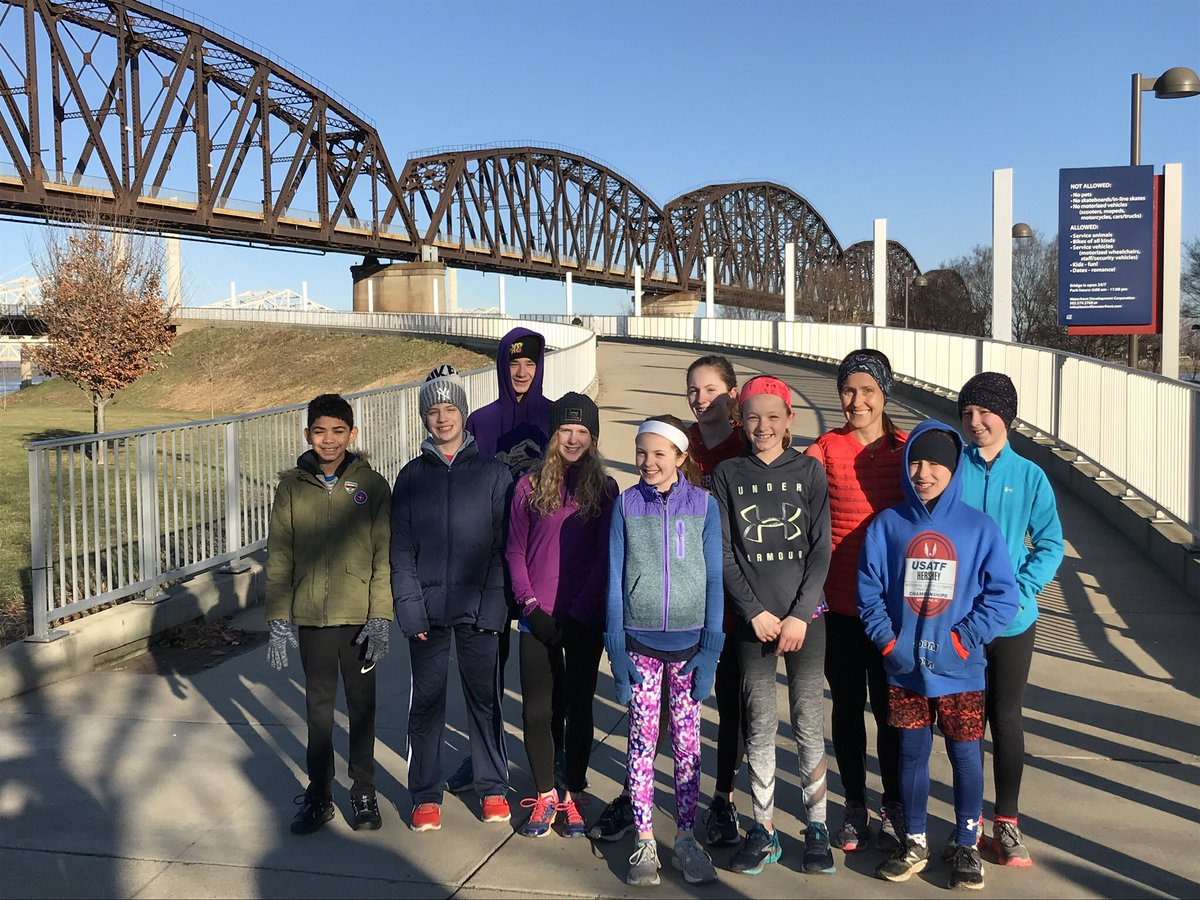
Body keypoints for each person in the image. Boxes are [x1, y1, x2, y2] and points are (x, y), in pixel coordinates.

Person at [857, 421, 1019, 891]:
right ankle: (915, 839)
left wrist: (963, 642)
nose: (923, 472)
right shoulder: (888, 525)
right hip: (905, 668)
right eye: (916, 462)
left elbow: (1002, 597)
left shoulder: (978, 528)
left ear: (953, 470)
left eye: (935, 464)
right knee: (911, 754)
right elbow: (869, 591)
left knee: (966, 755)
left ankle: (968, 843)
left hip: (961, 670)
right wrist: (890, 642)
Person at [711, 375, 835, 877]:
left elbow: (821, 547)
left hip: (807, 622)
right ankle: (763, 828)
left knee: (808, 723)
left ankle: (817, 824)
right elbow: (723, 551)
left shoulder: (808, 472)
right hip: (753, 623)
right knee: (759, 726)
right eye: (753, 418)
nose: (762, 427)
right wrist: (755, 612)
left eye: (772, 417)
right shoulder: (728, 473)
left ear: (790, 421)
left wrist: (799, 614)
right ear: (742, 421)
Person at [390, 365, 513, 832]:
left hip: (480, 611)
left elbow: (504, 547)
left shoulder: (494, 474)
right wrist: (409, 607)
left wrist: (494, 609)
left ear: (464, 413)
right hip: (427, 612)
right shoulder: (410, 477)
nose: (443, 418)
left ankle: (493, 787)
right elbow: (400, 549)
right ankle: (425, 793)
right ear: (424, 418)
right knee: (427, 702)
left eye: (451, 409)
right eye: (434, 410)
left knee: (484, 701)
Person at [605, 415, 724, 887]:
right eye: (641, 452)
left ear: (680, 457)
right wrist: (616, 653)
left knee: (688, 747)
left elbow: (714, 580)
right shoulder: (625, 505)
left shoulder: (705, 506)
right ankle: (645, 839)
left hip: (690, 647)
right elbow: (614, 581)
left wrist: (711, 652)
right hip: (640, 646)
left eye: (659, 453)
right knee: (641, 743)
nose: (648, 462)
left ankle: (688, 839)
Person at [265, 393, 392, 835]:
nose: (329, 440)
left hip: (358, 620)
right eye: (320, 431)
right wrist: (279, 618)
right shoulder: (291, 488)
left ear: (352, 435)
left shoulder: (372, 486)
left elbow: (384, 557)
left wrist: (381, 616)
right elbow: (279, 556)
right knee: (318, 710)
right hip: (313, 620)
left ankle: (364, 791)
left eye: (338, 431)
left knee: (362, 708)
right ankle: (319, 793)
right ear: (307, 435)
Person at [957, 372, 1063, 867]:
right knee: (965, 723)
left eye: (986, 412)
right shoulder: (953, 467)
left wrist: (1020, 592)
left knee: (1006, 716)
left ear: (1007, 415)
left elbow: (1049, 544)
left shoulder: (1030, 476)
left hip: (1014, 622)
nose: (976, 423)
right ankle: (970, 821)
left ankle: (1008, 820)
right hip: (960, 618)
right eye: (968, 414)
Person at [805, 349, 908, 853]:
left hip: (894, 611)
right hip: (841, 606)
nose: (857, 401)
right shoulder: (825, 448)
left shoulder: (909, 449)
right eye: (848, 390)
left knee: (892, 712)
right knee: (846, 708)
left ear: (884, 393)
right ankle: (854, 805)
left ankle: (893, 804)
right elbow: (785, 488)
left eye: (868, 390)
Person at [446, 327, 557, 795]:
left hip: (542, 561)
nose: (521, 372)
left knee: (547, 668)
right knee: (488, 663)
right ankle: (484, 752)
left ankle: (555, 751)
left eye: (530, 363)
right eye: (513, 363)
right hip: (491, 562)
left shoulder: (556, 418)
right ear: (500, 366)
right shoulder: (482, 422)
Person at [507, 392, 617, 839]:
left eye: (582, 431)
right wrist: (531, 606)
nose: (573, 439)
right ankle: (544, 793)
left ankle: (572, 791)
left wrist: (578, 611)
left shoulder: (605, 489)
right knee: (538, 711)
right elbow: (514, 550)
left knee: (577, 707)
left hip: (582, 619)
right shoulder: (529, 485)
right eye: (565, 430)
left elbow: (604, 557)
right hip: (538, 619)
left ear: (593, 437)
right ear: (553, 434)